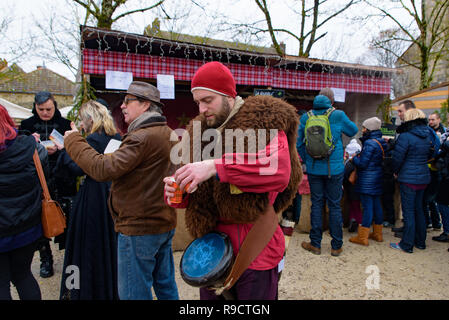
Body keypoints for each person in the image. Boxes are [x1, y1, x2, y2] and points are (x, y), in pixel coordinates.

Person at [163, 61, 301, 300]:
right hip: (210, 252)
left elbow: (278, 171)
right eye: (198, 102)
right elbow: (195, 191)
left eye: (208, 100)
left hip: (255, 248)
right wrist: (180, 191)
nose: (202, 108)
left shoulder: (264, 119)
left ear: (229, 96)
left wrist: (215, 166)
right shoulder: (198, 131)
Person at [63, 81, 179, 300]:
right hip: (162, 222)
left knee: (133, 294)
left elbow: (103, 169)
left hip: (139, 228)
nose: (122, 106)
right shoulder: (169, 133)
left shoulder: (141, 137)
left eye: (128, 101)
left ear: (145, 105)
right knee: (165, 286)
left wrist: (74, 141)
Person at [59, 101, 121, 300]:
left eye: (83, 120)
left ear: (89, 119)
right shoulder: (116, 136)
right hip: (111, 192)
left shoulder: (93, 139)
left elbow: (79, 168)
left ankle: (89, 288)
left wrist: (67, 148)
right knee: (108, 243)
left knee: (88, 244)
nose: (82, 125)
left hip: (94, 196)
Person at [19, 91, 76, 278]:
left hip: (63, 179)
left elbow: (75, 152)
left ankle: (71, 260)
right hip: (37, 179)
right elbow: (18, 154)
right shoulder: (26, 126)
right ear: (35, 107)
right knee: (40, 220)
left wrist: (62, 149)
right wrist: (30, 143)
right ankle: (46, 259)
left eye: (48, 109)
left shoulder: (65, 124)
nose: (45, 112)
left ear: (55, 106)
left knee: (67, 218)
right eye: (41, 109)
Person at [297, 89, 358, 256]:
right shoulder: (338, 115)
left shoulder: (306, 117)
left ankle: (315, 244)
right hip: (335, 169)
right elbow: (353, 131)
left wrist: (307, 160)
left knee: (316, 204)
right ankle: (336, 246)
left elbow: (299, 143)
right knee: (334, 205)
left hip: (314, 168)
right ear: (332, 101)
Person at [0, 104, 47, 300]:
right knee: (23, 276)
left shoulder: (30, 146)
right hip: (27, 226)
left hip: (5, 229)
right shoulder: (30, 147)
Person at [390, 109, 437, 253]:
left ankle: (407, 244)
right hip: (423, 177)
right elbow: (433, 152)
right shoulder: (428, 134)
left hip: (408, 178)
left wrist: (396, 171)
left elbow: (398, 158)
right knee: (419, 210)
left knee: (408, 212)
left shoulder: (405, 136)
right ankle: (420, 242)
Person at [349, 117, 387, 246]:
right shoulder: (380, 142)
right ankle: (378, 233)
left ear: (369, 129)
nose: (363, 130)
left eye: (364, 128)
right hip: (377, 178)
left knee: (367, 207)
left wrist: (354, 158)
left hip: (367, 181)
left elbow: (363, 163)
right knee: (377, 206)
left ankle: (362, 236)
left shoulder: (370, 143)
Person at [343, 139, 362, 232]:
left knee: (354, 207)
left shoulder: (349, 163)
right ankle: (353, 222)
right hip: (359, 188)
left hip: (352, 189)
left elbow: (345, 177)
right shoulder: (361, 161)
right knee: (355, 207)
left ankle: (359, 224)